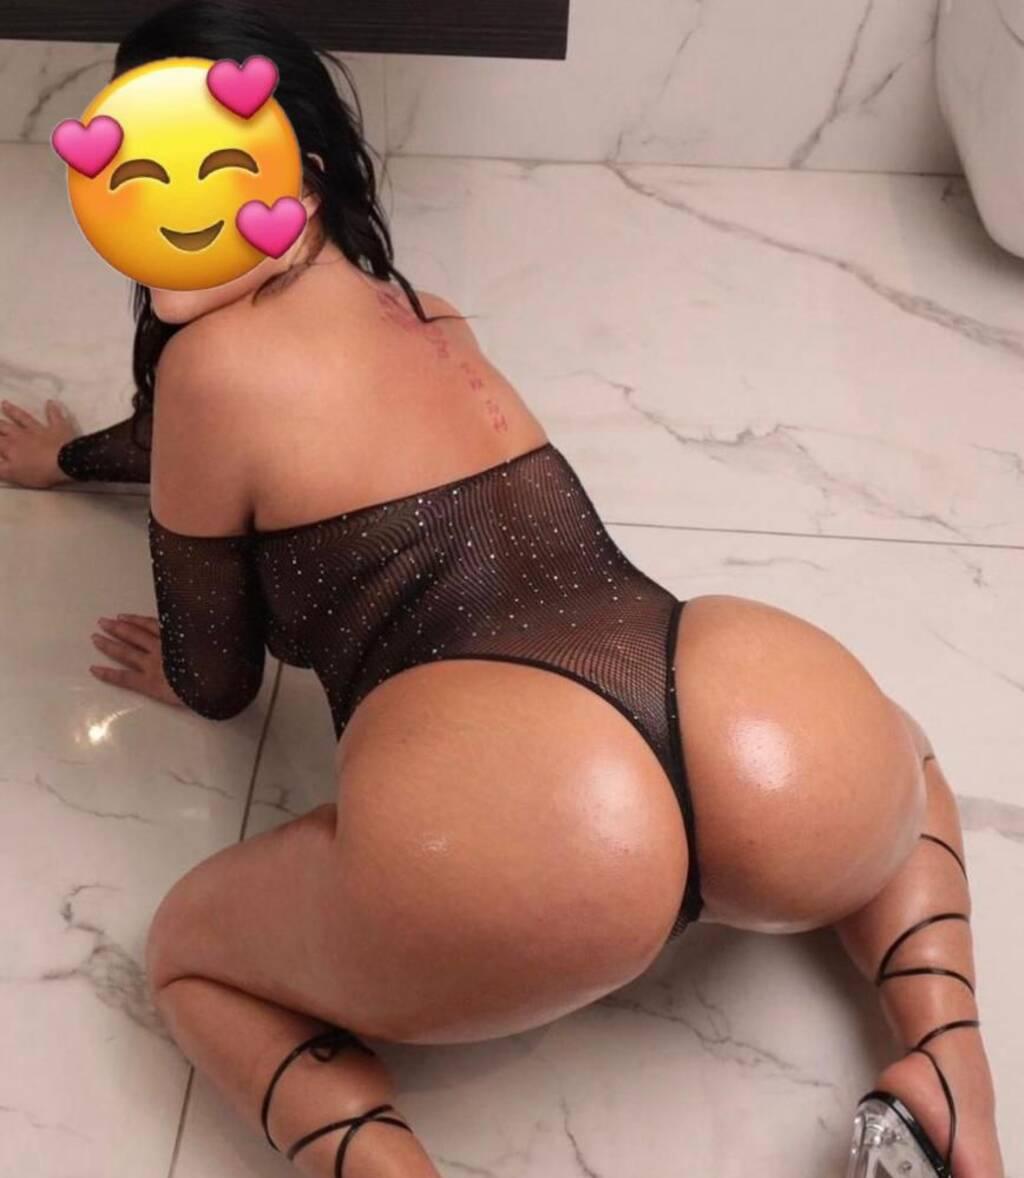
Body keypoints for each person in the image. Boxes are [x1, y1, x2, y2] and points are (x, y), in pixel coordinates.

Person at [0, 1, 1005, 1175]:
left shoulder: (209, 371)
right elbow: (191, 437)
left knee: (188, 951)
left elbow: (218, 677)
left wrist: (167, 654)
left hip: (525, 835)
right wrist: (82, 457)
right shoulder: (425, 312)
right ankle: (949, 1066)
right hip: (746, 716)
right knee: (894, 750)